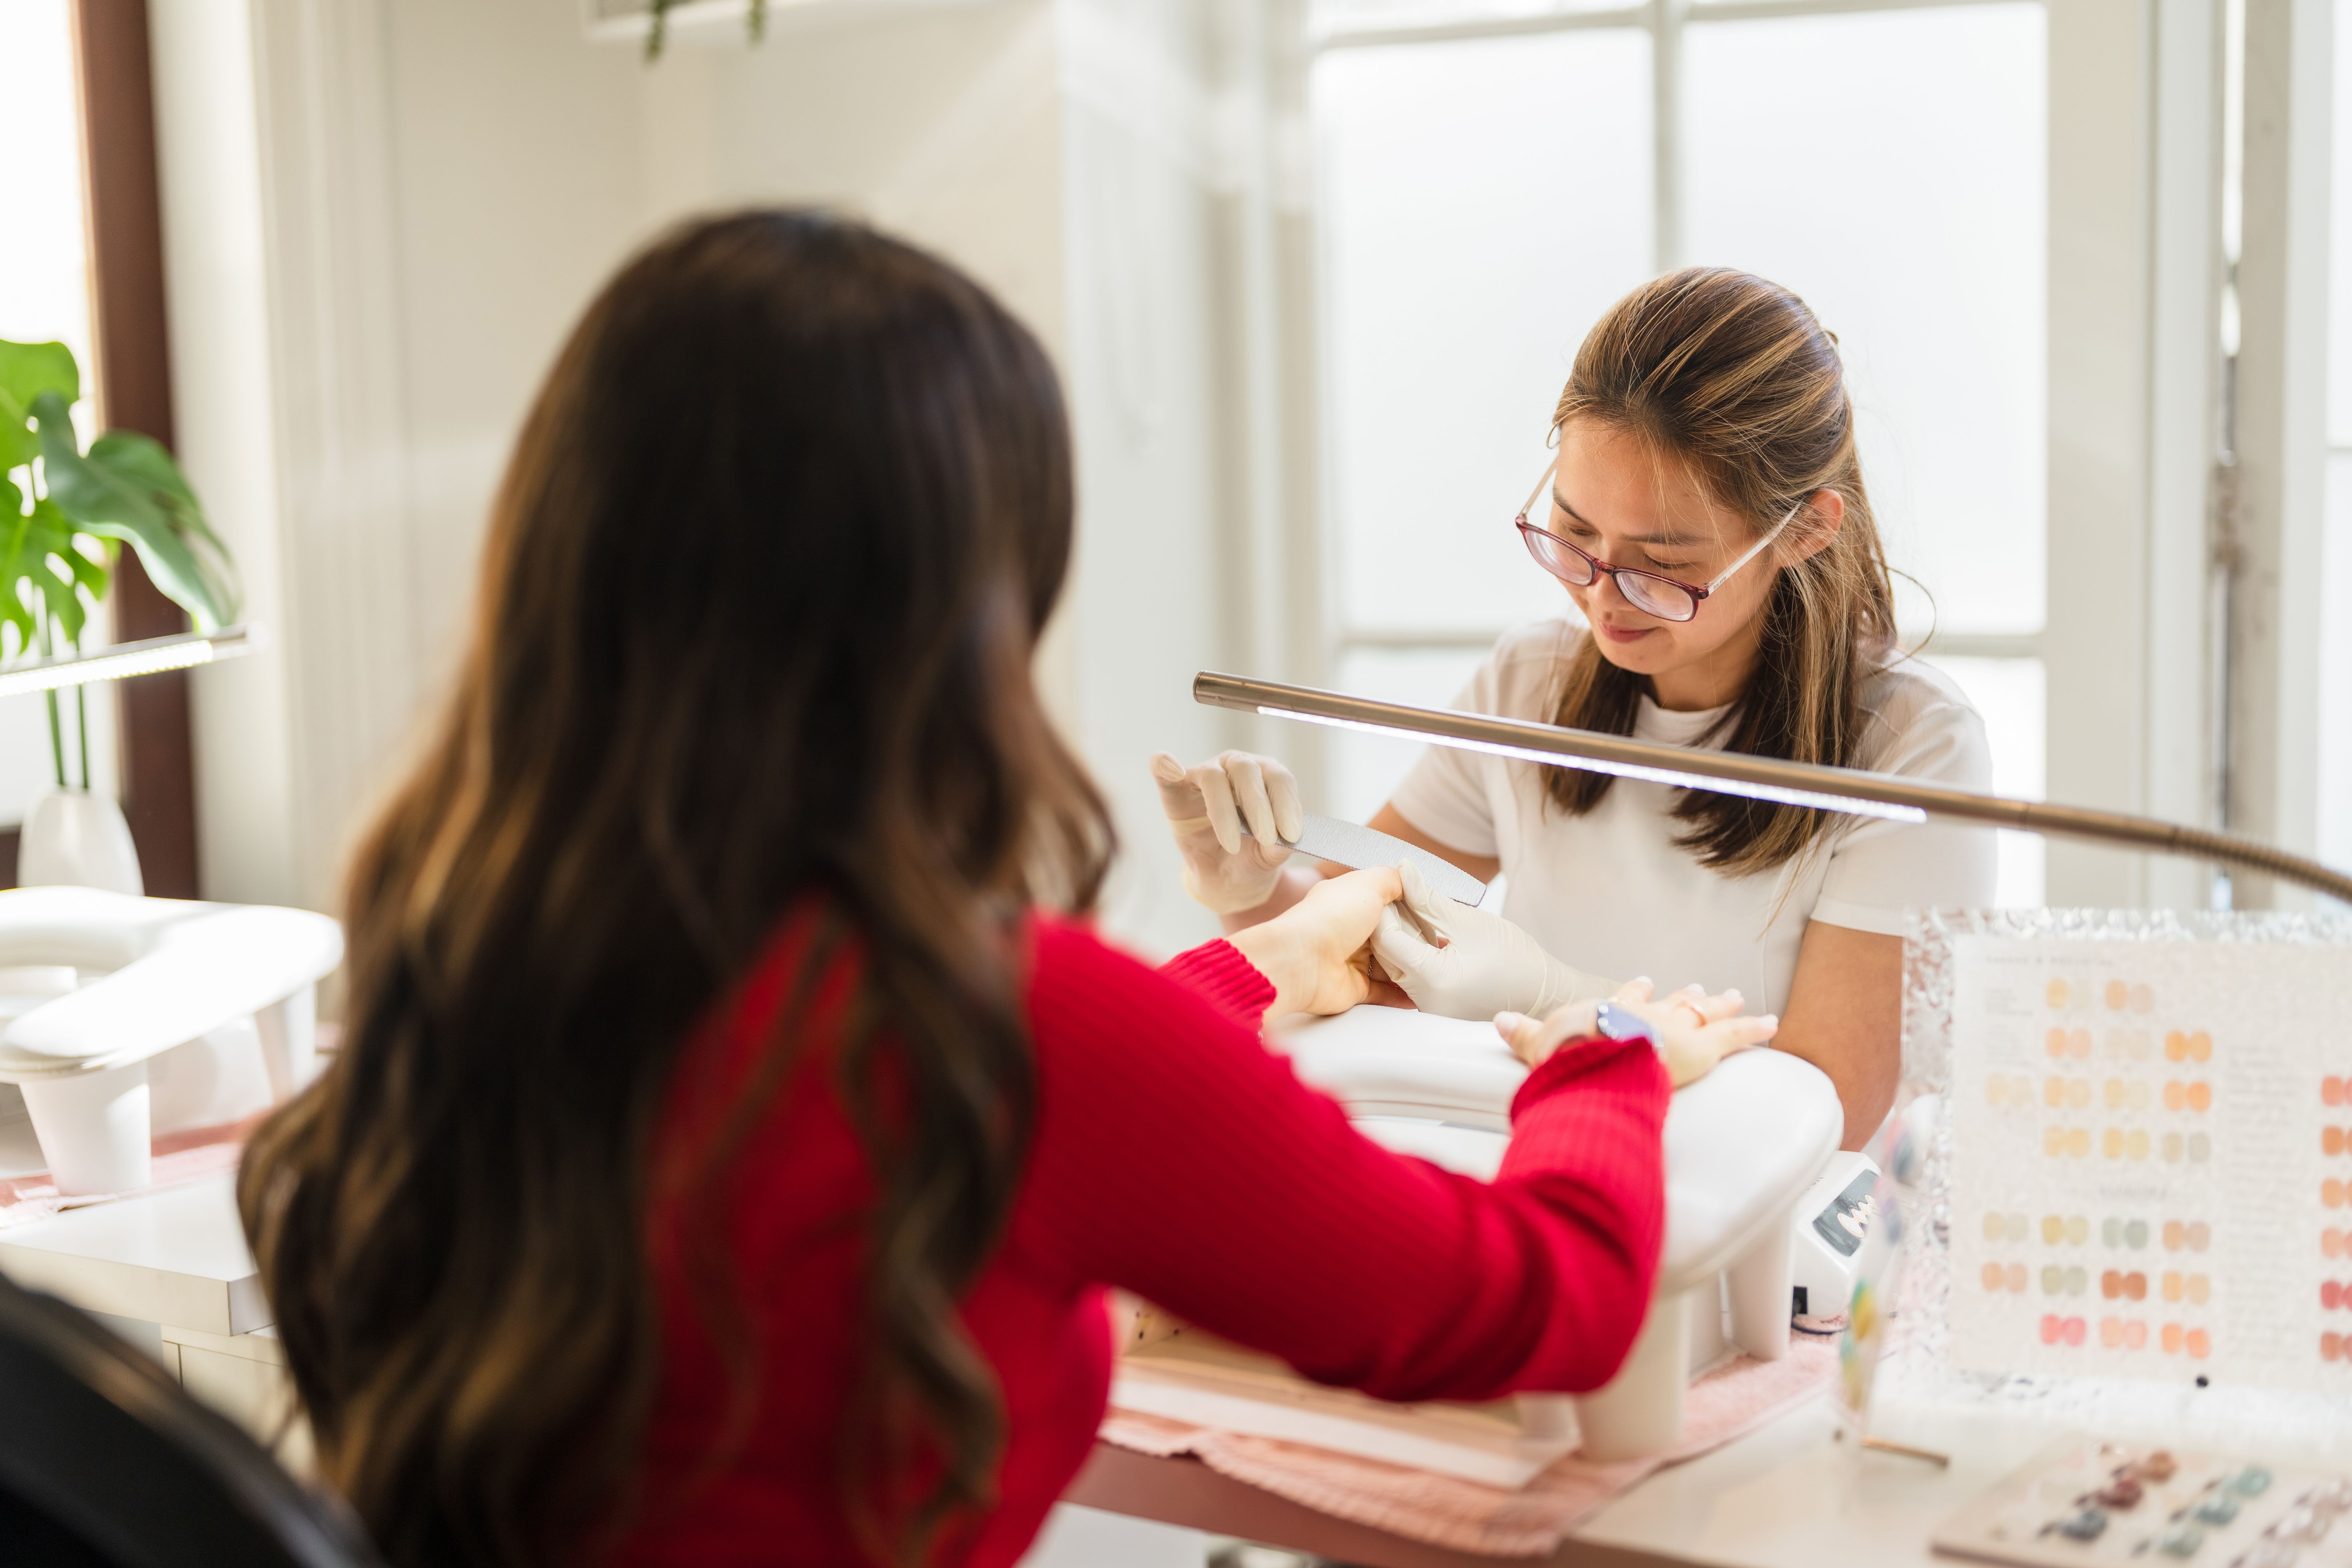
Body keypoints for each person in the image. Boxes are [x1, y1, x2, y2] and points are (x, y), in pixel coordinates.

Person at [234, 213, 1773, 1568]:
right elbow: (1539, 1300)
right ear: (959, 608)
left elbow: (911, 1098)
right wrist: (1606, 1056)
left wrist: (1262, 974)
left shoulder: (467, 951)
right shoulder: (1017, 1029)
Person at [1156, 267, 1993, 1150]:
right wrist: (1249, 888)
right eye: (1573, 533)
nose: (1603, 597)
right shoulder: (1532, 681)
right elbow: (1338, 956)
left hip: (1749, 1236)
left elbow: (1830, 1114)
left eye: (1660, 563)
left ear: (1805, 530)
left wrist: (1556, 994)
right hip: (1543, 1167)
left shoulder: (1913, 749)